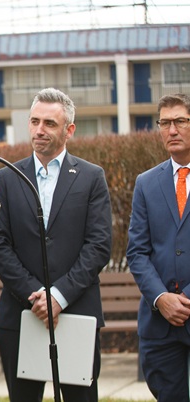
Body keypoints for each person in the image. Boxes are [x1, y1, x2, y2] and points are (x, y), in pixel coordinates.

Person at [0, 87, 112, 402]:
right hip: (21, 315)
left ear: (69, 130)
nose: (40, 130)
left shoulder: (91, 177)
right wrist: (37, 297)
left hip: (76, 312)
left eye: (50, 124)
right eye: (35, 121)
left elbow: (98, 245)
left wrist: (59, 296)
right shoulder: (8, 177)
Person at [126, 93, 190, 401]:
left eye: (180, 121)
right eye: (165, 123)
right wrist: (161, 298)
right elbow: (137, 252)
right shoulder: (146, 183)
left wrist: (185, 300)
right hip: (158, 326)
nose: (172, 130)